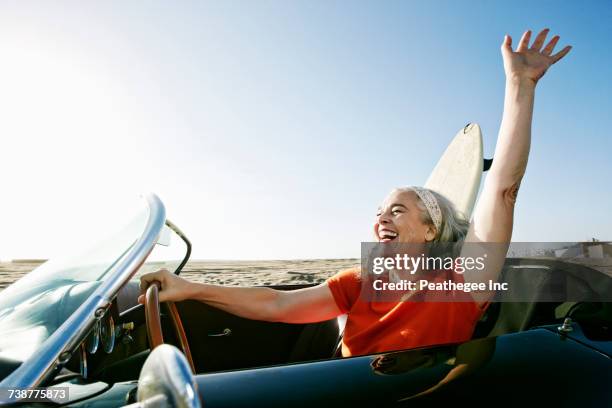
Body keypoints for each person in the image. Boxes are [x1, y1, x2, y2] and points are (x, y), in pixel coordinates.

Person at [139, 29, 572, 357]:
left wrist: (520, 88)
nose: (380, 218)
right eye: (379, 210)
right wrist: (189, 288)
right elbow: (273, 304)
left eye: (398, 210)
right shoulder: (360, 282)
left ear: (428, 230)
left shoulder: (461, 284)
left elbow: (501, 194)